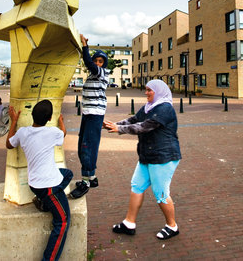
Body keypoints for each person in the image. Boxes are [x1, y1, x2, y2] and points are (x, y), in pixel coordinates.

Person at [103, 79, 182, 240]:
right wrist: (114, 125)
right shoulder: (148, 107)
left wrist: (119, 129)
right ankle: (129, 223)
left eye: (149, 90)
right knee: (137, 186)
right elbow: (133, 120)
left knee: (160, 193)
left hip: (163, 156)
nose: (146, 93)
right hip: (148, 155)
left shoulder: (165, 108)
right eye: (146, 89)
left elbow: (145, 126)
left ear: (158, 91)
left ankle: (172, 226)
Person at [6, 102, 72, 261]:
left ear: (32, 116)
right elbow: (63, 133)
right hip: (49, 187)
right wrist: (61, 121)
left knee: (68, 174)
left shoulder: (23, 132)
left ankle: (44, 202)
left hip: (34, 184)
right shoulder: (53, 132)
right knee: (62, 222)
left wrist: (14, 120)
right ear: (50, 118)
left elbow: (9, 144)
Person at [69, 34, 109, 199]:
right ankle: (91, 177)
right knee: (82, 144)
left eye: (100, 61)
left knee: (87, 146)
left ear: (103, 64)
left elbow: (88, 62)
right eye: (96, 60)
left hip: (94, 115)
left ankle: (85, 182)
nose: (98, 63)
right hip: (88, 114)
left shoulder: (100, 72)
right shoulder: (93, 75)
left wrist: (85, 46)